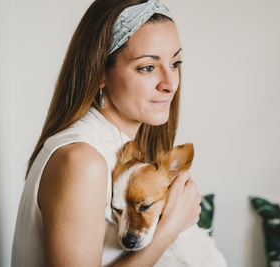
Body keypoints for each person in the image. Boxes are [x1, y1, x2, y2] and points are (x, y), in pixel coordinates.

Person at [11, 0, 202, 266]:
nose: (170, 83)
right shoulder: (83, 160)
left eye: (175, 62)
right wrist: (169, 229)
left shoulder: (119, 153)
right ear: (99, 73)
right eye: (148, 67)